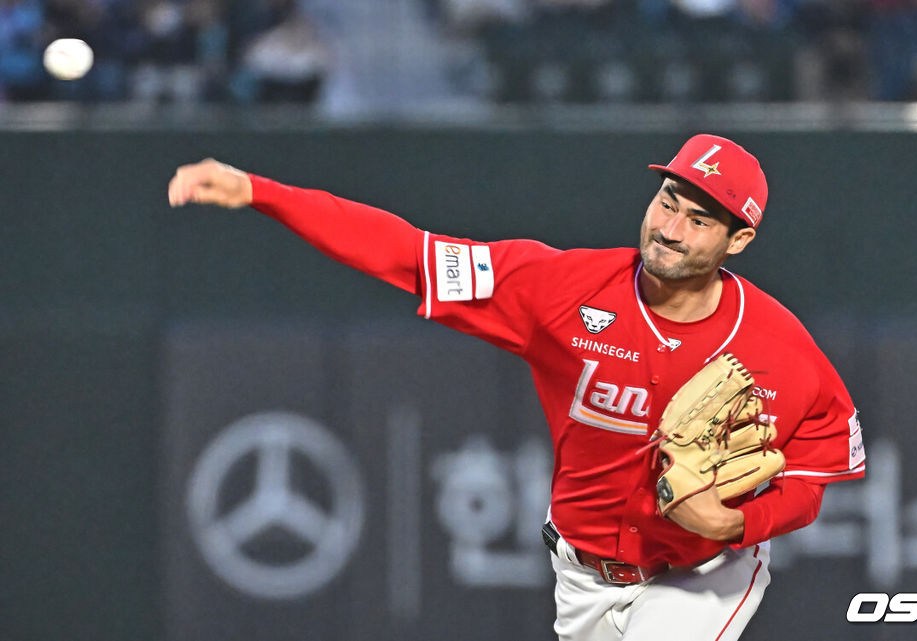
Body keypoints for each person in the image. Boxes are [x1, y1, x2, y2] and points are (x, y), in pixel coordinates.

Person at [168, 134, 866, 641]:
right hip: (583, 573)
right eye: (668, 199)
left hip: (700, 575)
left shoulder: (779, 348)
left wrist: (738, 524)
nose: (670, 227)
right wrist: (260, 192)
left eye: (699, 217)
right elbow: (408, 253)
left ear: (738, 240)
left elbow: (812, 472)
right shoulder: (559, 289)